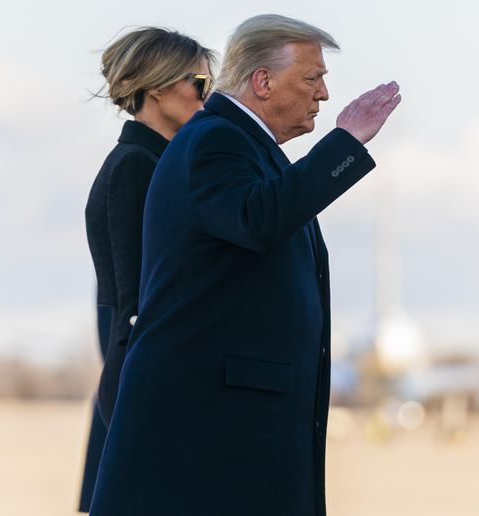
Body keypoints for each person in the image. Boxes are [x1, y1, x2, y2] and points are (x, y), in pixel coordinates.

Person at [90, 14, 401, 515]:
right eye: (311, 77)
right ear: (263, 81)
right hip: (213, 430)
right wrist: (346, 142)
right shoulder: (217, 139)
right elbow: (258, 220)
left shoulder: (251, 149)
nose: (323, 94)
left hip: (234, 429)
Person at [79, 27, 215, 512]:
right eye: (200, 81)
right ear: (158, 87)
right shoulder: (137, 166)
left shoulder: (154, 161)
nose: (208, 94)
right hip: (152, 382)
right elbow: (141, 301)